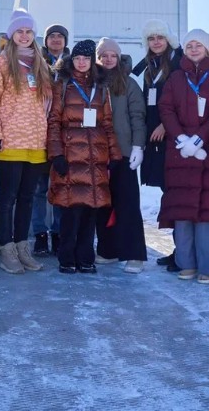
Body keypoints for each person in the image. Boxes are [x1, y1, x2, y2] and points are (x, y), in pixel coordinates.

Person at [158, 29, 209, 283]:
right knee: (183, 212)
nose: (193, 49)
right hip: (180, 154)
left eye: (198, 45)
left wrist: (201, 137)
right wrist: (181, 138)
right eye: (189, 45)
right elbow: (166, 109)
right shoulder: (175, 78)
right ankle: (187, 263)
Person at [0, 9, 51, 274]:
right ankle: (7, 248)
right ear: (12, 35)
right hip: (11, 140)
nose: (24, 36)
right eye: (19, 31)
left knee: (27, 197)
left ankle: (23, 247)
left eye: (28, 32)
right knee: (8, 196)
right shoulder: (2, 62)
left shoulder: (41, 62)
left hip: (37, 142)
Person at [47, 40, 122, 273]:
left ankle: (86, 257)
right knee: (70, 212)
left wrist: (114, 154)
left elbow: (107, 123)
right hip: (70, 157)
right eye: (78, 58)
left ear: (92, 63)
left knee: (91, 211)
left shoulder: (101, 88)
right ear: (72, 60)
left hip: (95, 157)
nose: (81, 63)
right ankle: (67, 258)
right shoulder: (62, 85)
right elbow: (53, 122)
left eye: (86, 59)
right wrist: (56, 153)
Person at [94, 37, 148, 273]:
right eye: (103, 55)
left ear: (118, 58)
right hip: (96, 154)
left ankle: (134, 254)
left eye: (112, 55)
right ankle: (108, 249)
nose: (108, 59)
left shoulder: (128, 84)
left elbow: (137, 116)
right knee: (102, 205)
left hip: (123, 152)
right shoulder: (91, 83)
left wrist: (138, 146)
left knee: (127, 204)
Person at [133, 20, 183, 270]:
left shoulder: (178, 63)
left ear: (168, 40)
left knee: (175, 194)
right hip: (155, 140)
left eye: (160, 38)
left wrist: (166, 125)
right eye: (151, 38)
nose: (156, 42)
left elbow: (182, 99)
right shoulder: (149, 67)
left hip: (173, 137)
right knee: (168, 192)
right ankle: (179, 249)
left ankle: (182, 251)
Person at [32, 22, 70, 256]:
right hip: (38, 134)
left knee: (61, 186)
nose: (56, 40)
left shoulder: (74, 65)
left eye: (60, 36)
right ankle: (39, 234)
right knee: (38, 189)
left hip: (65, 137)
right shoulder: (37, 63)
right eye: (51, 36)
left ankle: (58, 232)